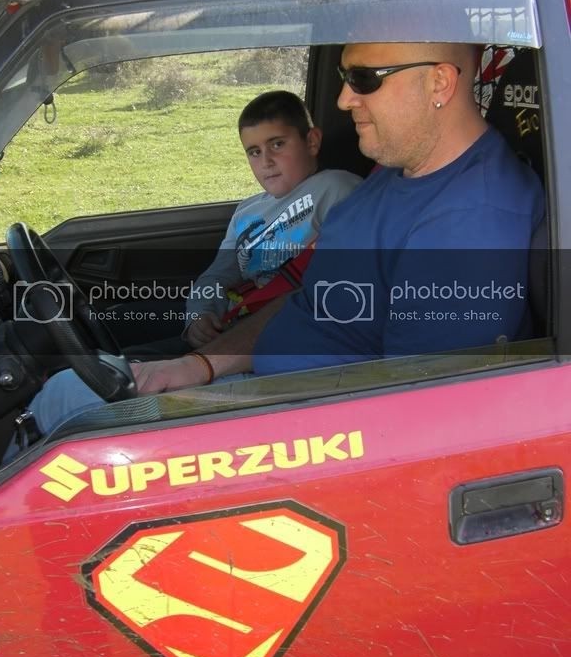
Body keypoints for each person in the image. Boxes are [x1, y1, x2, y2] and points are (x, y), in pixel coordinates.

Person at [29, 41, 544, 432]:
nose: (344, 99)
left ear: (439, 83)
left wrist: (213, 406)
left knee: (68, 403)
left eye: (364, 79)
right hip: (264, 382)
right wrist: (200, 365)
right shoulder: (397, 170)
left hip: (295, 421)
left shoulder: (471, 222)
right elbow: (314, 297)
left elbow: (413, 420)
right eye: (344, 77)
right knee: (72, 387)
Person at [182, 89, 362, 349]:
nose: (266, 161)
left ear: (311, 142)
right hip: (231, 326)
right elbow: (217, 276)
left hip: (281, 333)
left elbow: (342, 279)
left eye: (277, 144)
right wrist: (199, 315)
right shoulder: (246, 211)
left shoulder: (337, 188)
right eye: (254, 152)